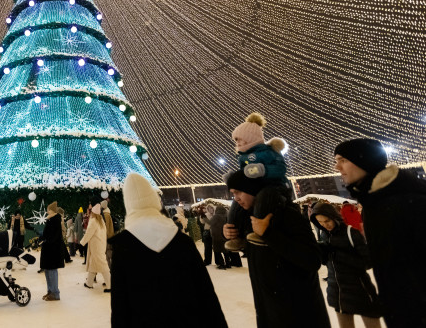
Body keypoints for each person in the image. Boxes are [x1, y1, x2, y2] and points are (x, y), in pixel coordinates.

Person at [110, 173, 227, 327]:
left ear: (129, 205)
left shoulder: (122, 246)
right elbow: (205, 293)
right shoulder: (182, 240)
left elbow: (120, 306)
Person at [334, 138, 426, 327]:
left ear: (364, 160)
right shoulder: (373, 202)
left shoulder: (410, 200)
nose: (337, 167)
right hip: (402, 310)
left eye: (343, 160)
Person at [223, 169, 330, 328]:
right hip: (269, 310)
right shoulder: (250, 220)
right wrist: (232, 235)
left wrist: (268, 234)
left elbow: (313, 259)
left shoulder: (287, 214)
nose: (236, 199)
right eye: (233, 194)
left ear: (252, 189)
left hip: (300, 313)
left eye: (239, 192)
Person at [311, 202, 383, 328]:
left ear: (334, 217)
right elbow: (330, 263)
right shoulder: (324, 235)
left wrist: (339, 255)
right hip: (338, 293)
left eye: (327, 220)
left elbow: (368, 262)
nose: (324, 225)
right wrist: (322, 255)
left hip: (361, 292)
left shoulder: (351, 233)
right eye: (320, 222)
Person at [225, 113, 291, 250]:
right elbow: (244, 176)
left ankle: (261, 233)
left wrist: (262, 170)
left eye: (239, 139)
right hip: (255, 189)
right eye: (235, 140)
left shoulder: (268, 152)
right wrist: (233, 179)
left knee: (263, 198)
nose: (237, 142)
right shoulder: (242, 158)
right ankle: (236, 237)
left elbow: (280, 168)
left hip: (275, 187)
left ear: (249, 138)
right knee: (235, 207)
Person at [79, 203, 110, 291]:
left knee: (103, 266)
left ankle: (110, 285)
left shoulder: (93, 221)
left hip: (96, 246)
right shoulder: (101, 220)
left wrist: (81, 243)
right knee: (93, 264)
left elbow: (88, 234)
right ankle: (89, 283)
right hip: (100, 245)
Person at [40, 201, 64, 301]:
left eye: (48, 209)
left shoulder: (55, 221)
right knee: (47, 270)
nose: (47, 211)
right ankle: (50, 291)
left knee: (52, 271)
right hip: (48, 249)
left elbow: (54, 236)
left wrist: (46, 241)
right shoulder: (50, 220)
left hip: (53, 250)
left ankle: (55, 292)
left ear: (52, 211)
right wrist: (42, 238)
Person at [101, 201, 114, 269]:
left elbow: (105, 227)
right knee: (108, 253)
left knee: (107, 253)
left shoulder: (105, 215)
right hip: (109, 236)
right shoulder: (107, 213)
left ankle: (109, 269)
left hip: (106, 237)